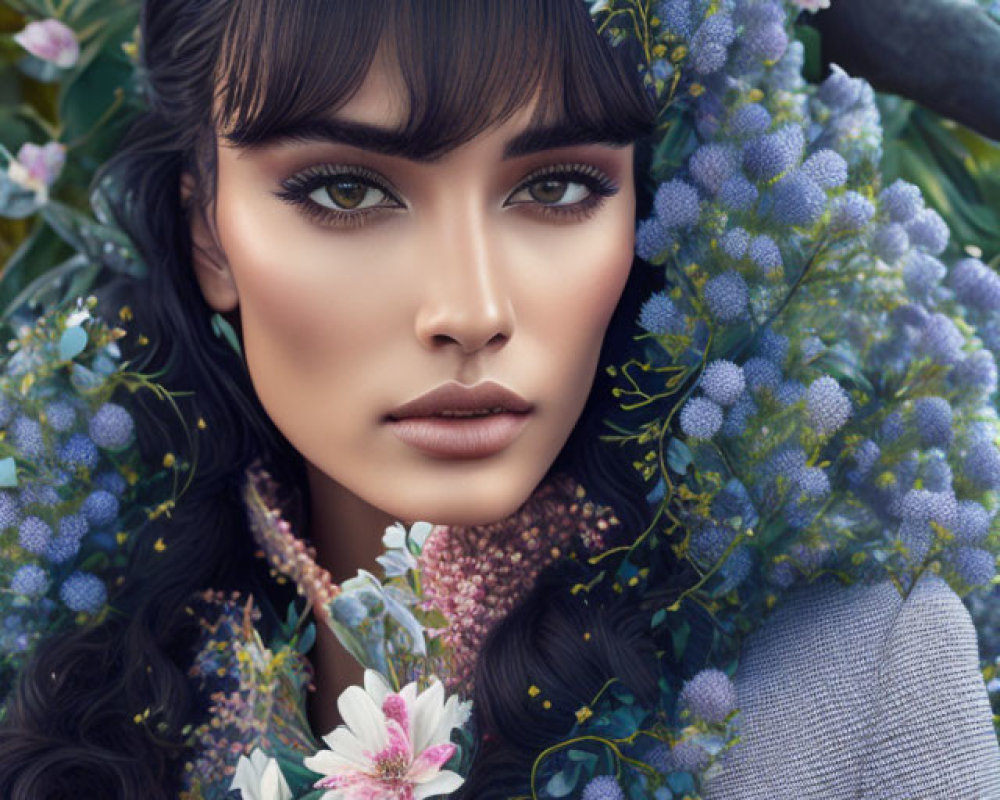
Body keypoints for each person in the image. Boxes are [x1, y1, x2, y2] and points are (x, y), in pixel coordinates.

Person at [0, 1, 998, 798]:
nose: (469, 309)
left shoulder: (862, 669)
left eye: (558, 186)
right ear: (209, 234)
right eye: (348, 191)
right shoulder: (84, 691)